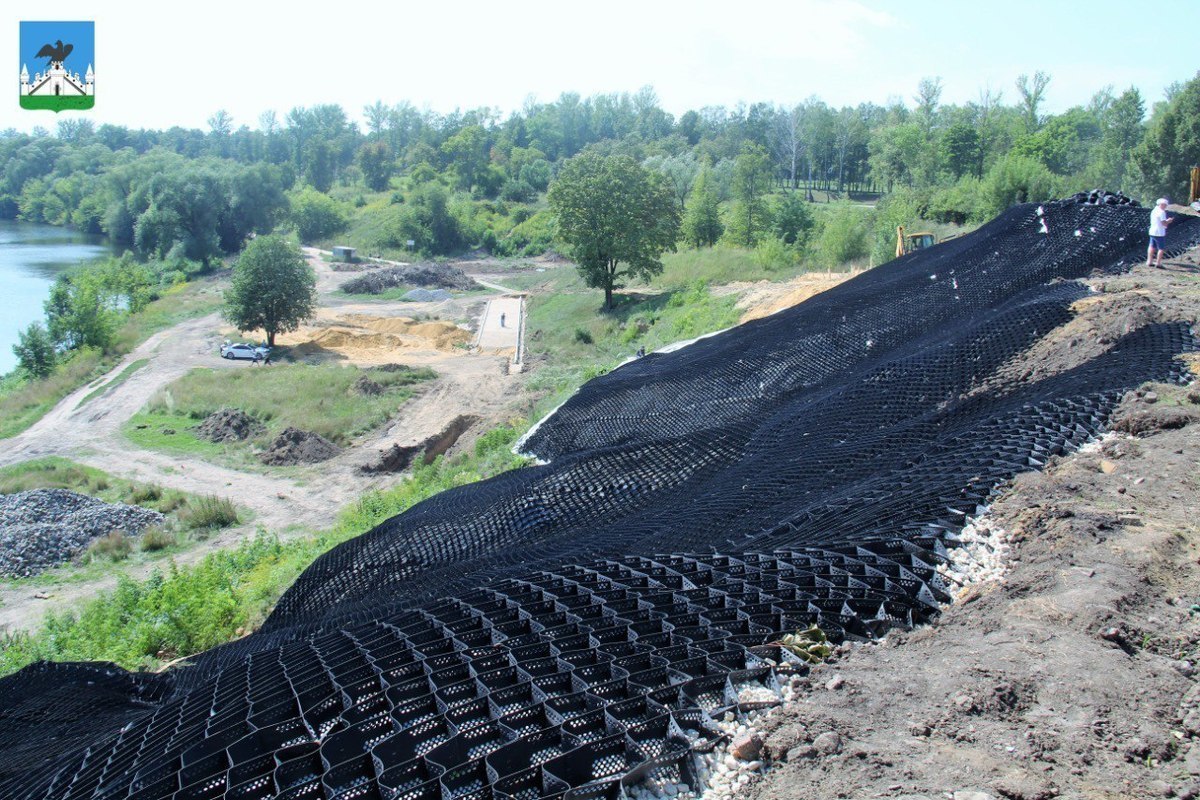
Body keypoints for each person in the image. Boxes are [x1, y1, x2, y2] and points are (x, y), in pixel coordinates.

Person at [1148, 197, 1175, 269]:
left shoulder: (1154, 210)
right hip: (1159, 233)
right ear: (1162, 204)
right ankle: (1158, 263)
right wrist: (1168, 221)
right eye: (1165, 205)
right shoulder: (1162, 212)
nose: (1166, 207)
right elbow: (1163, 223)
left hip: (1152, 231)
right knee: (1161, 248)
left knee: (1151, 246)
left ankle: (1149, 261)